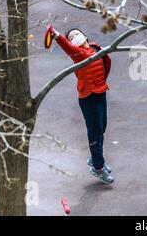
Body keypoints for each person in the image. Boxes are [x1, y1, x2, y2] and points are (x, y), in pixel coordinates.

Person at [48, 25, 114, 184]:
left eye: (76, 34)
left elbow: (105, 63)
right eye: (71, 38)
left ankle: (95, 157)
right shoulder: (78, 54)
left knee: (102, 127)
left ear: (84, 35)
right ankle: (98, 167)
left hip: (101, 92)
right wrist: (56, 35)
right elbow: (67, 47)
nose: (74, 37)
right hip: (89, 98)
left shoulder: (95, 49)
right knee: (95, 132)